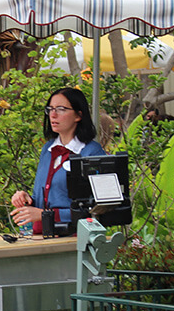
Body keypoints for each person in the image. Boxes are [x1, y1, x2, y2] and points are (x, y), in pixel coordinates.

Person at [10, 88, 105, 234]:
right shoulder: (48, 149)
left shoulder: (91, 152)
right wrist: (26, 199)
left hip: (75, 237)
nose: (53, 115)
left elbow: (96, 208)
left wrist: (43, 214)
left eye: (61, 109)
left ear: (78, 115)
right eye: (50, 109)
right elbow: (43, 198)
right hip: (42, 235)